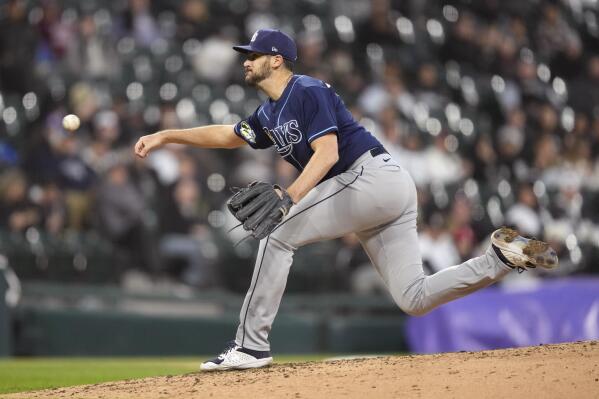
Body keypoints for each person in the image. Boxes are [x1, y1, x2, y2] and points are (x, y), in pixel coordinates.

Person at [134, 29, 558, 371]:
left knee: (276, 234)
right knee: (413, 298)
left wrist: (289, 196)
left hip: (370, 177)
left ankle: (250, 346)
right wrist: (167, 136)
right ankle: (499, 260)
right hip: (381, 192)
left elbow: (329, 153)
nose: (245, 59)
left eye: (254, 53)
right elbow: (228, 134)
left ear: (277, 59)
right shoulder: (267, 113)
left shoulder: (307, 90)